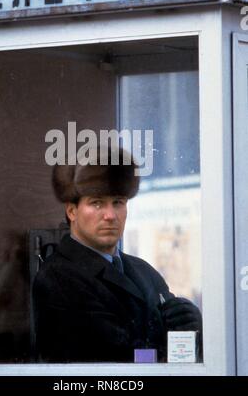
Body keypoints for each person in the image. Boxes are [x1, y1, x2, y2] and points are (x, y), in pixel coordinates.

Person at [33, 146, 202, 363]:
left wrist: (193, 330)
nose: (110, 215)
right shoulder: (57, 278)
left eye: (118, 202)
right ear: (72, 211)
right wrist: (170, 346)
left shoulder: (143, 270)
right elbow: (117, 358)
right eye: (96, 203)